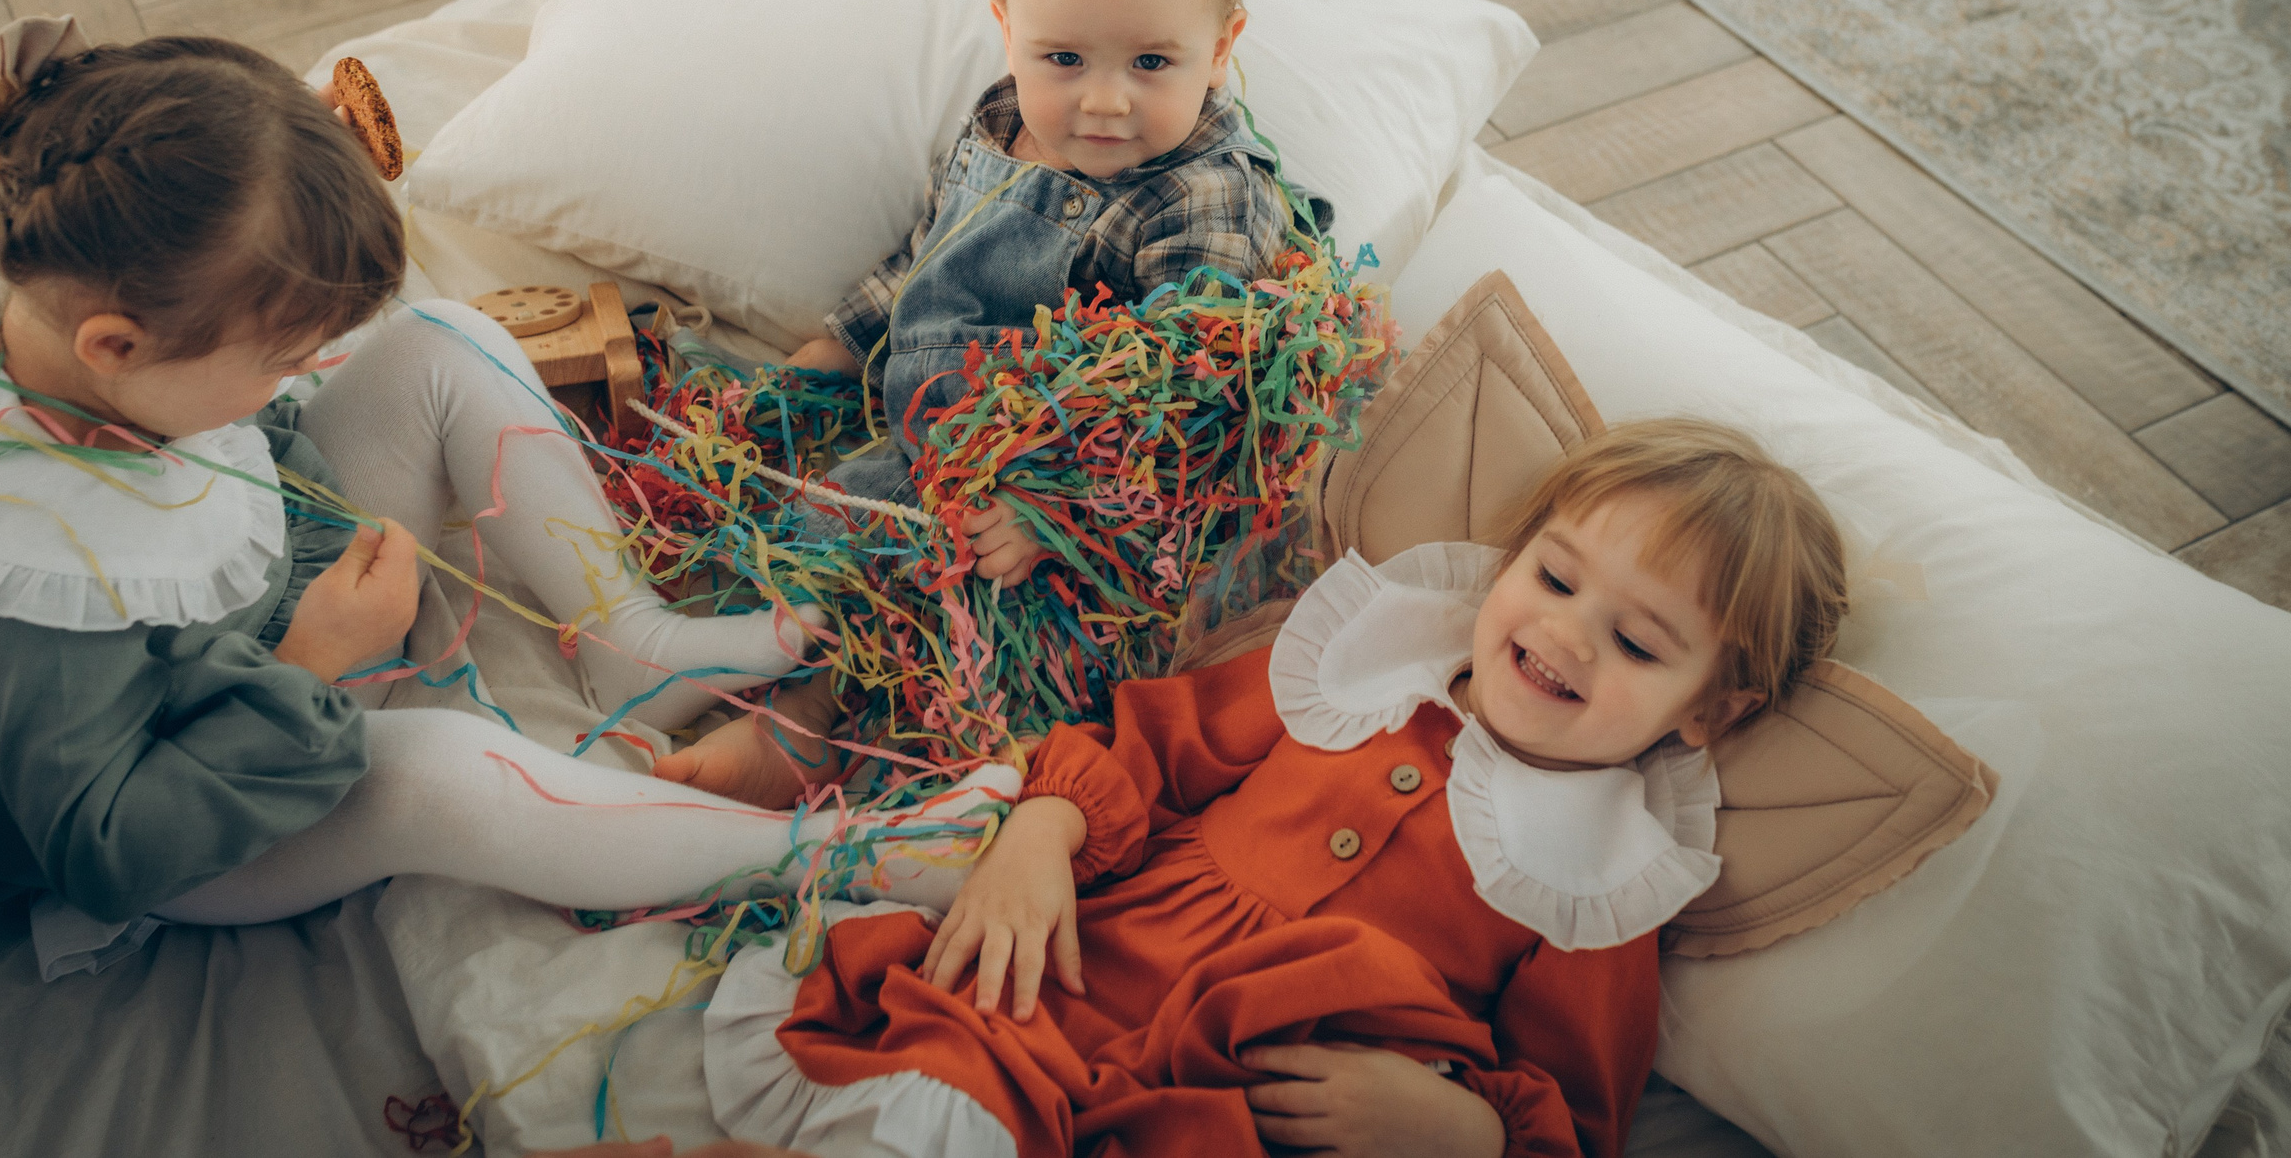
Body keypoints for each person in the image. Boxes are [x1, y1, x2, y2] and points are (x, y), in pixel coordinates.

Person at [0, 19, 1005, 979]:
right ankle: (853, 858)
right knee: (438, 776)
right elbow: (108, 845)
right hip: (203, 810)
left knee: (446, 337)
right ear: (117, 348)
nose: (293, 381)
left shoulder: (67, 269)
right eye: (279, 360)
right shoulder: (24, 571)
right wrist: (308, 668)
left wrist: (300, 503)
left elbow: (224, 435)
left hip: (261, 625)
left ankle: (629, 641)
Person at [702, 420, 1850, 1158]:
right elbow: (1149, 744)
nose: (1563, 636)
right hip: (1084, 971)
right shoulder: (1362, 674)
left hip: (1256, 1104)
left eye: (1638, 646)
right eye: (1552, 577)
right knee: (934, 1088)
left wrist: (1463, 1132)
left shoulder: (1599, 880)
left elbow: (1577, 1111)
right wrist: (1039, 832)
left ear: (1707, 712)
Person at [656, 0, 1333, 809]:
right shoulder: (1000, 121)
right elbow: (922, 258)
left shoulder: (1202, 198)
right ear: (1005, 27)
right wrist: (836, 347)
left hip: (1069, 501)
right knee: (798, 526)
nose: (1103, 101)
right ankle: (740, 661)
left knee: (947, 595)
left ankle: (809, 731)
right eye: (1063, 56)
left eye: (1151, 62)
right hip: (933, 435)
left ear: (1222, 47)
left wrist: (1056, 505)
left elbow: (1194, 397)